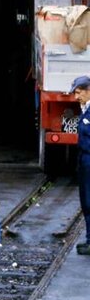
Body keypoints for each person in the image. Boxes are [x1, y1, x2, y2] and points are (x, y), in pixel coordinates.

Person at [71, 75, 90, 256]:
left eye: (78, 92)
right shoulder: (86, 109)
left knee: (89, 201)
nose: (76, 97)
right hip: (85, 160)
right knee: (86, 201)